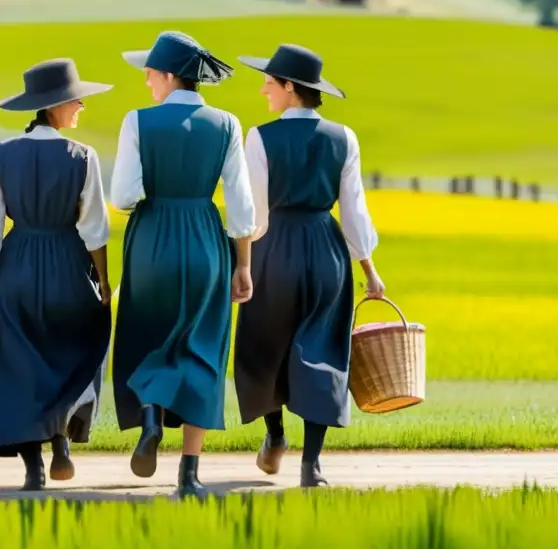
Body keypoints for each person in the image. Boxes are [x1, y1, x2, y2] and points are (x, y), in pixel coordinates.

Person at [110, 31, 255, 500]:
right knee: (203, 349)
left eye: (151, 72)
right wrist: (243, 266)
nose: (147, 80)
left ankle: (150, 414)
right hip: (205, 241)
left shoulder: (138, 121)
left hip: (153, 238)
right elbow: (242, 209)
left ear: (170, 75)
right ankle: (189, 474)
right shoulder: (228, 124)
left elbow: (125, 197)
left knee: (148, 334)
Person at [233, 43, 384, 488]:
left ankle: (275, 436)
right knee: (321, 352)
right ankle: (311, 464)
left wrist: (242, 262)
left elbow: (253, 213)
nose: (263, 90)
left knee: (265, 345)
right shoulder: (344, 137)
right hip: (326, 251)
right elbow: (354, 212)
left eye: (269, 82)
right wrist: (369, 270)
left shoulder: (260, 136)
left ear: (289, 88)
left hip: (272, 248)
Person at [0, 58, 114, 491]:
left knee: (22, 365)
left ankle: (33, 465)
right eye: (77, 101)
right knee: (74, 351)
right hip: (68, 264)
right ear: (56, 105)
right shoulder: (82, 156)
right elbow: (94, 229)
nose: (81, 108)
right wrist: (103, 281)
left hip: (16, 266)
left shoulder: (0, 154)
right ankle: (61, 441)